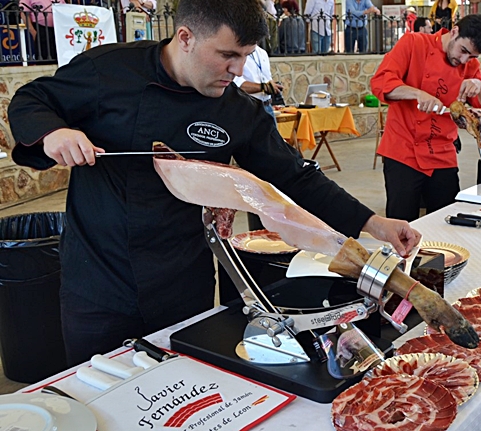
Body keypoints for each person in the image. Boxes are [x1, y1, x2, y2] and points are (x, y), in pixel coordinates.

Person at [8, 0, 420, 366]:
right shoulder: (108, 70)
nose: (239, 70)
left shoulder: (238, 110)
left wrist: (373, 224)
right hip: (98, 278)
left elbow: (297, 177)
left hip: (183, 280)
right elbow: (30, 100)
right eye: (227, 55)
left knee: (179, 389)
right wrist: (53, 135)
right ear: (185, 37)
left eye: (246, 56)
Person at [370, 14, 481, 222]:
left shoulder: (469, 66)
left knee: (447, 221)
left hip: (442, 153)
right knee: (402, 224)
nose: (464, 60)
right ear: (455, 31)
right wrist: (417, 93)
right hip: (403, 150)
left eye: (472, 57)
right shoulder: (413, 43)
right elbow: (381, 83)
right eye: (464, 51)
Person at [234, 45, 283, 118]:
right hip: (248, 109)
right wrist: (264, 87)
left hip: (267, 108)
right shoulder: (237, 52)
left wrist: (273, 87)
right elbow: (237, 85)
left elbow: (268, 79)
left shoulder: (262, 53)